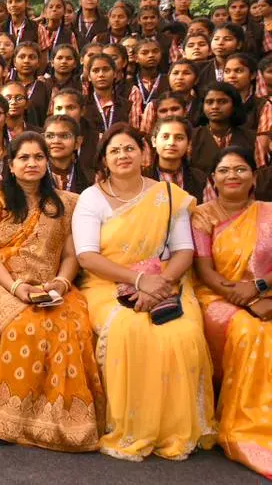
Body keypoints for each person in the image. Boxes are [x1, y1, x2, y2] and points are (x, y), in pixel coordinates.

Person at [71, 122, 216, 460]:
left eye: (129, 148)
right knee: (129, 328)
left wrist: (160, 283)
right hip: (107, 284)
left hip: (168, 282)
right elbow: (87, 256)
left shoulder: (167, 196)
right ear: (104, 160)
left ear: (143, 153)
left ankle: (175, 429)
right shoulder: (92, 198)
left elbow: (183, 251)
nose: (123, 155)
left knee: (181, 334)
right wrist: (138, 281)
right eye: (114, 151)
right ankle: (134, 426)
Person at [0, 132, 104, 452]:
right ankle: (7, 420)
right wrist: (16, 287)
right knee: (21, 327)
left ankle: (65, 425)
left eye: (38, 157)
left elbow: (71, 255)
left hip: (52, 285)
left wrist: (60, 283)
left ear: (48, 162)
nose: (32, 163)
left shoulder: (68, 202)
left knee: (70, 326)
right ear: (11, 166)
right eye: (24, 158)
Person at [191, 146, 272, 478]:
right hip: (216, 294)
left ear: (253, 177)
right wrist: (244, 296)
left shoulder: (268, 212)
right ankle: (248, 424)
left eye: (240, 169)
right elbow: (204, 270)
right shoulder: (202, 215)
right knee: (248, 332)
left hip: (263, 291)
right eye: (224, 170)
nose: (232, 176)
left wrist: (261, 289)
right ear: (213, 179)